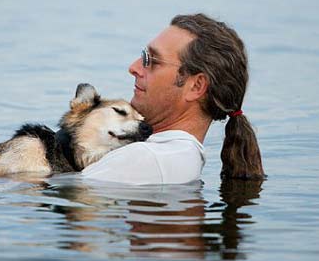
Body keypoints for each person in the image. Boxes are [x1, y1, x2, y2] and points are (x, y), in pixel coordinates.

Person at [82, 13, 265, 184]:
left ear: (196, 86)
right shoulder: (178, 156)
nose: (134, 67)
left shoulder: (148, 159)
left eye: (152, 61)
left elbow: (68, 201)